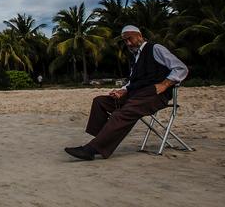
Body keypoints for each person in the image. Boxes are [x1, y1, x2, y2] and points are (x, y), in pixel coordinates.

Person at [64, 25, 188, 160]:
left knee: (121, 112)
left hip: (155, 95)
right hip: (135, 95)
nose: (128, 43)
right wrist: (123, 90)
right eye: (125, 40)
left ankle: (92, 149)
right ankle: (103, 139)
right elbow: (133, 81)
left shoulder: (155, 49)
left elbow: (181, 68)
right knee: (100, 102)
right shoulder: (135, 57)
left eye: (130, 39)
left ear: (139, 36)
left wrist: (165, 84)